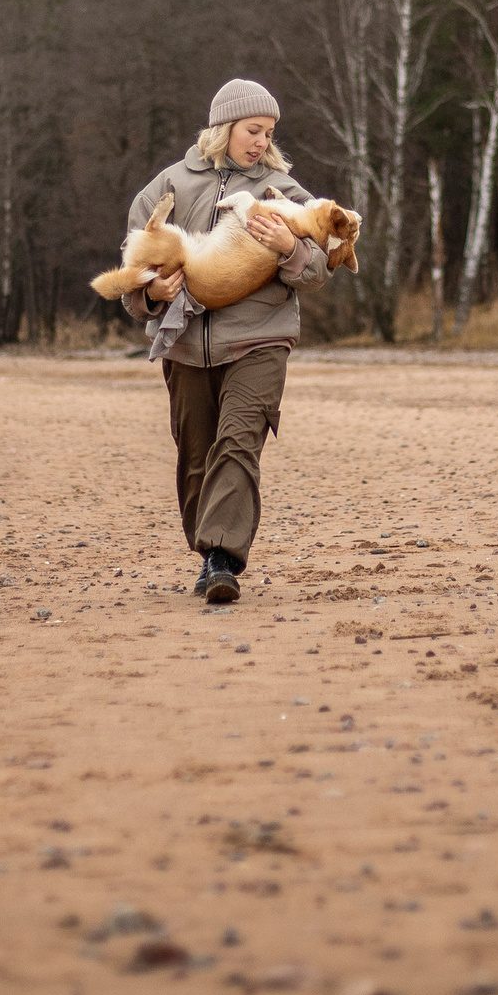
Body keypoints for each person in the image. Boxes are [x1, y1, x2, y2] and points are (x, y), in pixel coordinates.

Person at [118, 78, 331, 604]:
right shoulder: (168, 185)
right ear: (223, 128)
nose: (261, 142)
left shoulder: (283, 189)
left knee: (237, 444)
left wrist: (290, 249)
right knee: (196, 456)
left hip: (261, 340)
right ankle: (209, 548)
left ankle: (222, 558)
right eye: (252, 130)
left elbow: (321, 268)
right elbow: (133, 264)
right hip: (186, 344)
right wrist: (151, 292)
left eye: (269, 132)